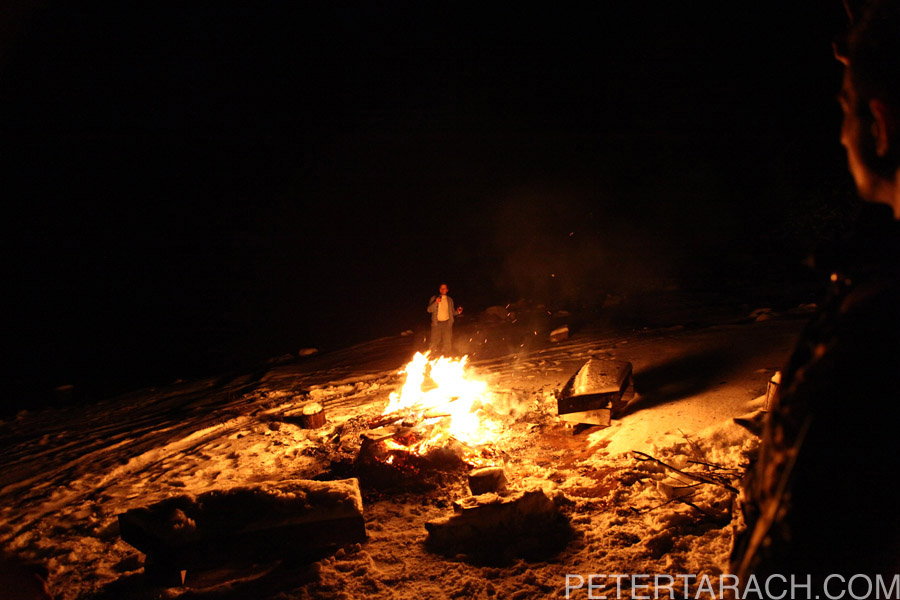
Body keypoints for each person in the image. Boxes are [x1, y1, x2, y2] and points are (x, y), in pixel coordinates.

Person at [731, 0, 900, 586]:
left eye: (846, 109)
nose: (841, 134)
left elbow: (809, 555)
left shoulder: (876, 329)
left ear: (881, 126)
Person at [427, 283, 462, 356]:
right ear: (439, 289)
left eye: (444, 288)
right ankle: (432, 355)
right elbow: (429, 310)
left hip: (447, 323)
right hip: (436, 324)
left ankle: (447, 355)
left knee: (447, 341)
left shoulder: (450, 300)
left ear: (447, 290)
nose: (443, 290)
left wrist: (458, 312)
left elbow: (452, 312)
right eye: (441, 288)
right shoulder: (434, 298)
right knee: (434, 341)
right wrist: (436, 302)